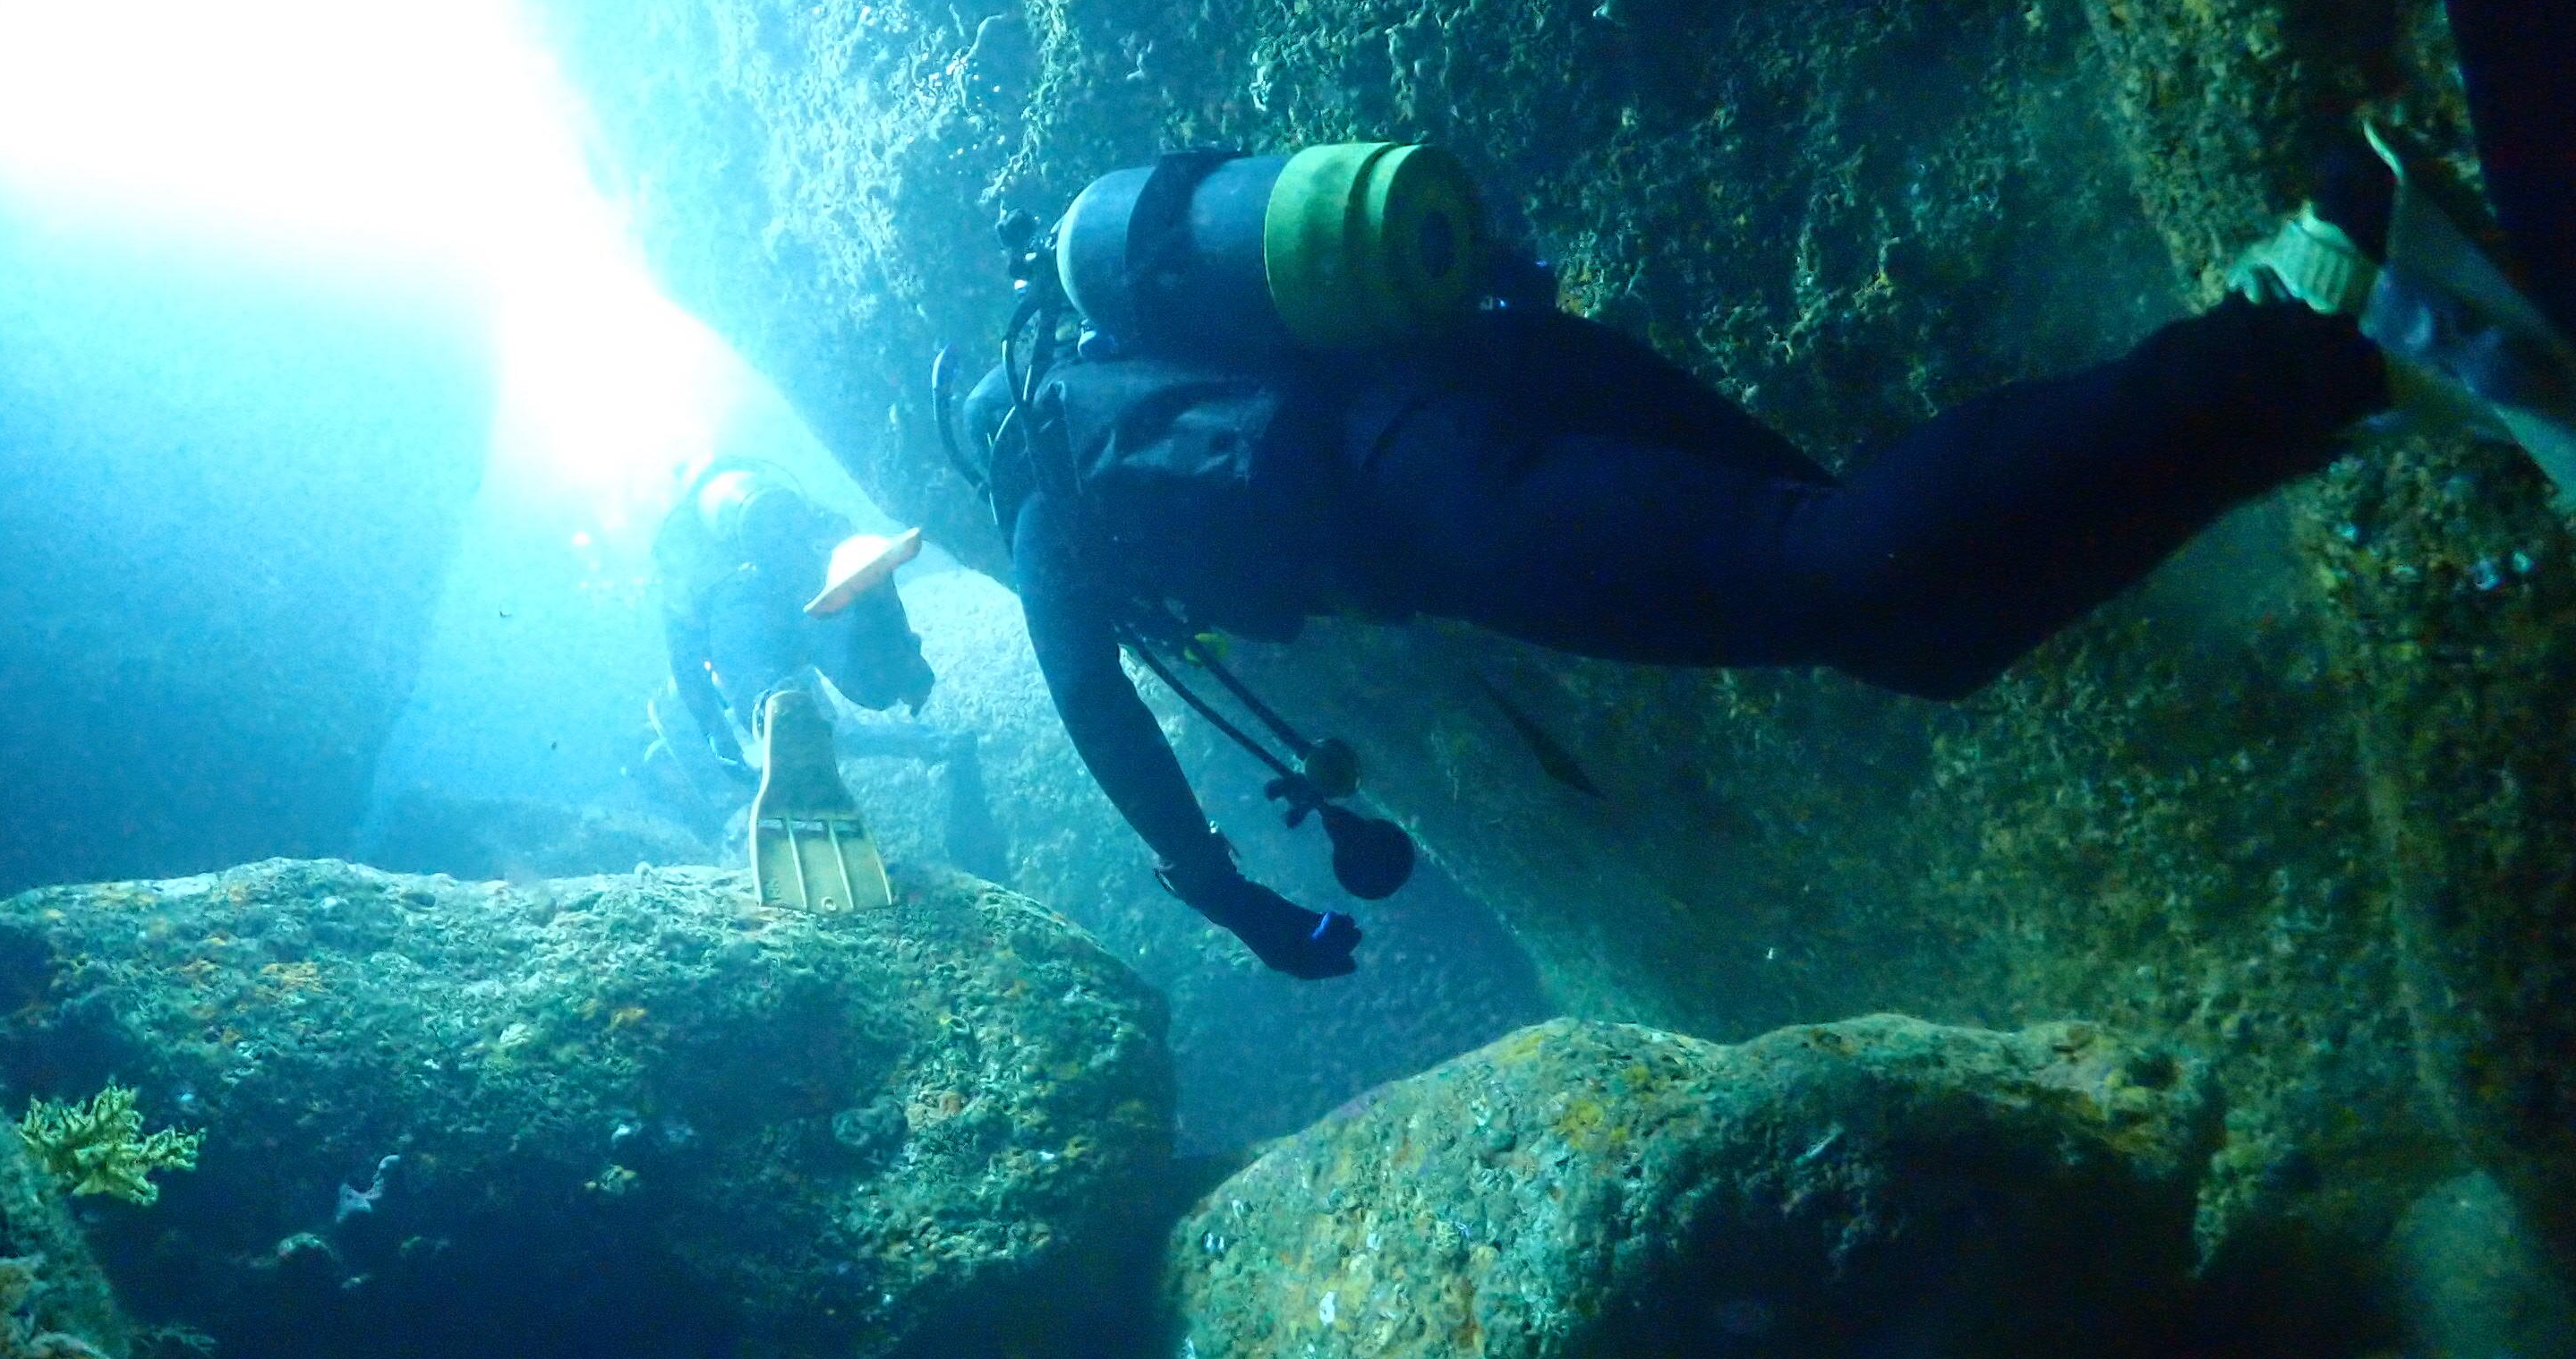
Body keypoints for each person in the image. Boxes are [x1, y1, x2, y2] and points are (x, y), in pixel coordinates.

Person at [946, 128, 2575, 981]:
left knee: (1829, 567)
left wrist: (1234, 901)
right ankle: (2340, 372)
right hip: (1505, 365)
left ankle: (2315, 314)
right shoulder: (1110, 342)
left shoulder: (1042, 498)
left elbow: (1099, 716)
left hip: (1432, 493)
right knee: (1916, 634)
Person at [647, 460, 958, 910]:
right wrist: (903, 656)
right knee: (873, 686)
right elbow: (844, 543)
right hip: (808, 588)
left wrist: (720, 736)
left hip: (748, 607)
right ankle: (873, 641)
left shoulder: (684, 551)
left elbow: (686, 660)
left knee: (769, 697)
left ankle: (776, 705)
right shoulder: (776, 494)